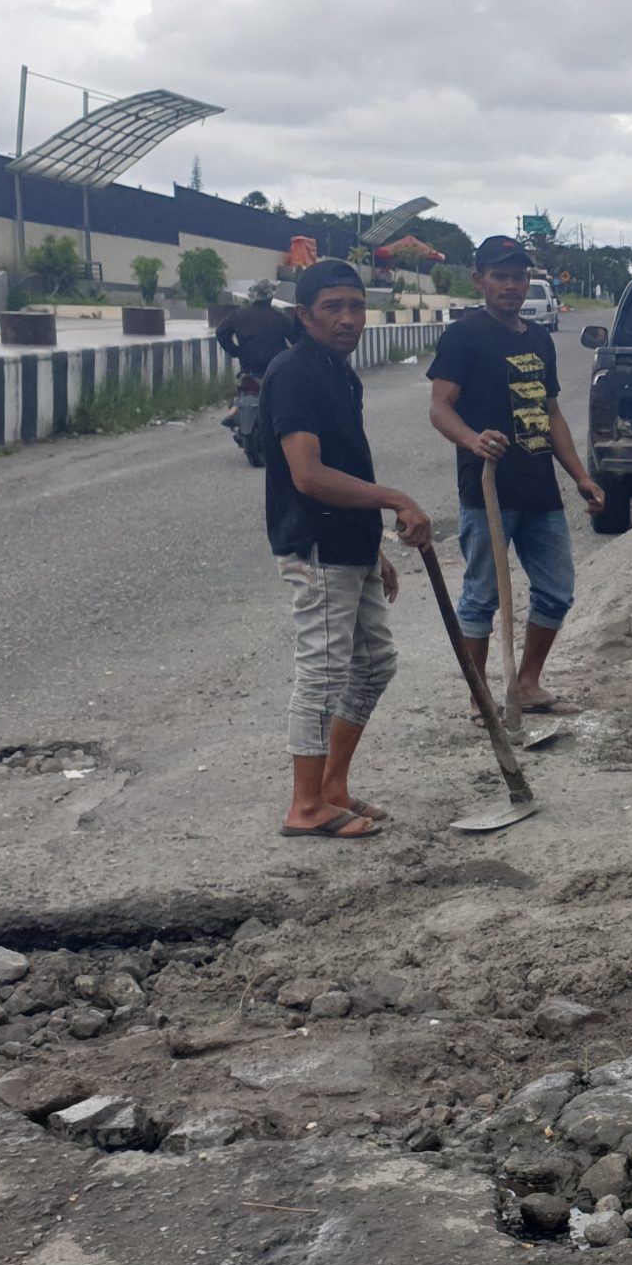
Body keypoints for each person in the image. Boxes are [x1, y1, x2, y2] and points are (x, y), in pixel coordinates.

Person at [260, 259, 432, 839]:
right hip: (315, 548)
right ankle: (305, 806)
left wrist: (373, 547)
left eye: (356, 306)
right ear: (303, 315)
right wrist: (395, 499)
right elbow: (308, 476)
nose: (348, 318)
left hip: (349, 544)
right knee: (325, 673)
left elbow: (345, 467)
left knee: (375, 663)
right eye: (332, 307)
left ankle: (333, 788)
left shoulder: (340, 373)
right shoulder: (293, 374)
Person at [426, 235, 606, 717]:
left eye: (519, 276)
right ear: (479, 280)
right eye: (501, 276)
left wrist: (580, 477)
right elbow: (440, 408)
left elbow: (551, 414)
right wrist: (471, 440)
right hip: (487, 491)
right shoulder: (464, 336)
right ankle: (479, 695)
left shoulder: (538, 339)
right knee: (480, 597)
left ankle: (527, 684)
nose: (511, 285)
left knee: (556, 589)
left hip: (539, 491)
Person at [217, 282, 289, 429]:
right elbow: (296, 339)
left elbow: (221, 332)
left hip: (248, 368)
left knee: (241, 388)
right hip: (275, 370)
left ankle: (235, 410)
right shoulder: (279, 318)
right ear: (270, 298)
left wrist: (235, 351)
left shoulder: (238, 316)